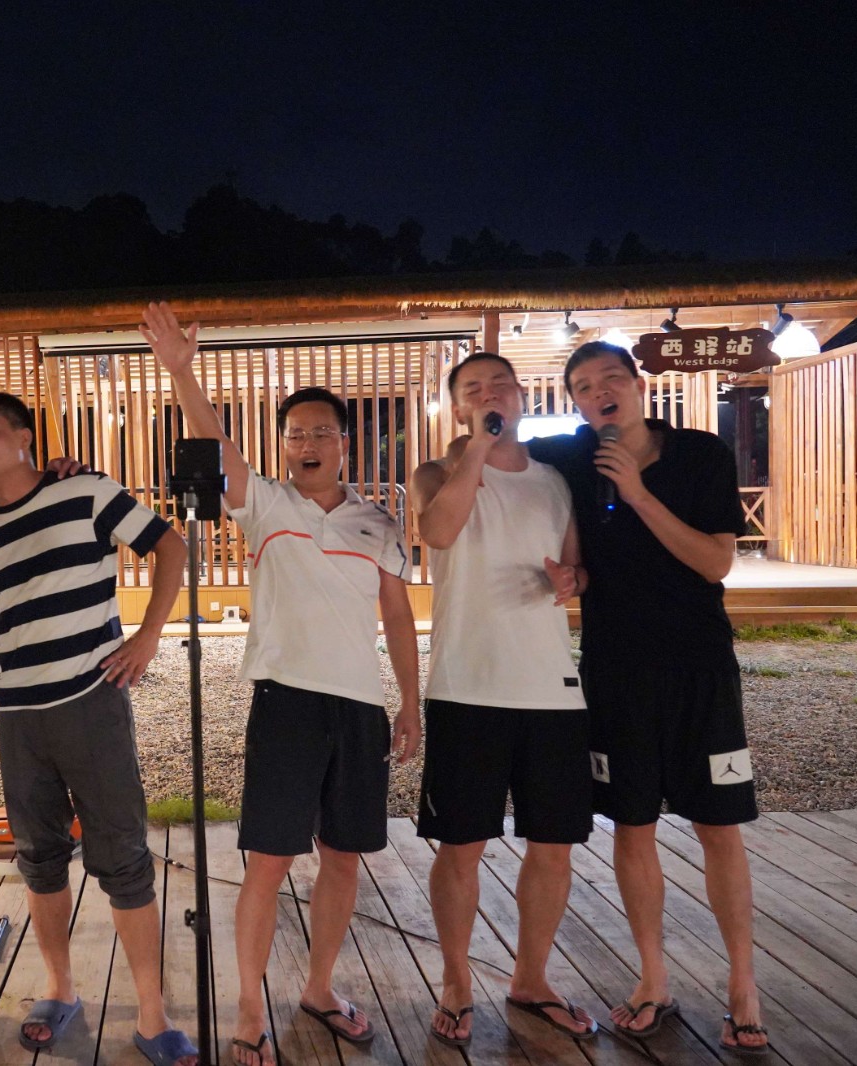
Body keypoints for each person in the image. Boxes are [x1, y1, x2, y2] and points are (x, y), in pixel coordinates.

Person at [141, 302, 421, 1066]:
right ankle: (247, 1008)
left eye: (321, 432)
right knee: (267, 861)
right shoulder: (265, 504)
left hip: (359, 708)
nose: (307, 443)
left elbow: (398, 617)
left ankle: (320, 988)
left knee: (344, 856)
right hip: (286, 702)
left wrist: (409, 705)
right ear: (284, 446)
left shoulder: (377, 523)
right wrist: (182, 372)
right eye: (295, 434)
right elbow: (215, 443)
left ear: (344, 443)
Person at [0, 392, 197, 1066]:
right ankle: (59, 988)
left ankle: (153, 1013)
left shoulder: (84, 491)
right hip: (19, 714)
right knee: (38, 857)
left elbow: (171, 547)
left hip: (91, 700)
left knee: (123, 857)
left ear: (24, 437)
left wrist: (148, 636)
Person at [528, 341, 769, 1055]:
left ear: (637, 386)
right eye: (582, 387)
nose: (598, 392)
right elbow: (573, 549)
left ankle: (743, 986)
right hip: (614, 669)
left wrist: (637, 493)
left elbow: (716, 562)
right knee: (631, 826)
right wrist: (571, 579)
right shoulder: (574, 459)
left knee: (718, 826)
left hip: (699, 667)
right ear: (575, 402)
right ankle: (652, 979)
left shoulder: (699, 454)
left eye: (610, 379)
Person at [412, 352, 596, 1049]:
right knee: (461, 845)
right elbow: (438, 531)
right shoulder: (437, 473)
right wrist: (477, 452)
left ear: (521, 396)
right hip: (467, 685)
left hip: (551, 688)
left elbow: (575, 567)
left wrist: (569, 580)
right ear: (458, 407)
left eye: (500, 386)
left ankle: (532, 978)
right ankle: (456, 981)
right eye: (473, 390)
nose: (490, 396)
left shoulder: (554, 481)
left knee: (553, 845)